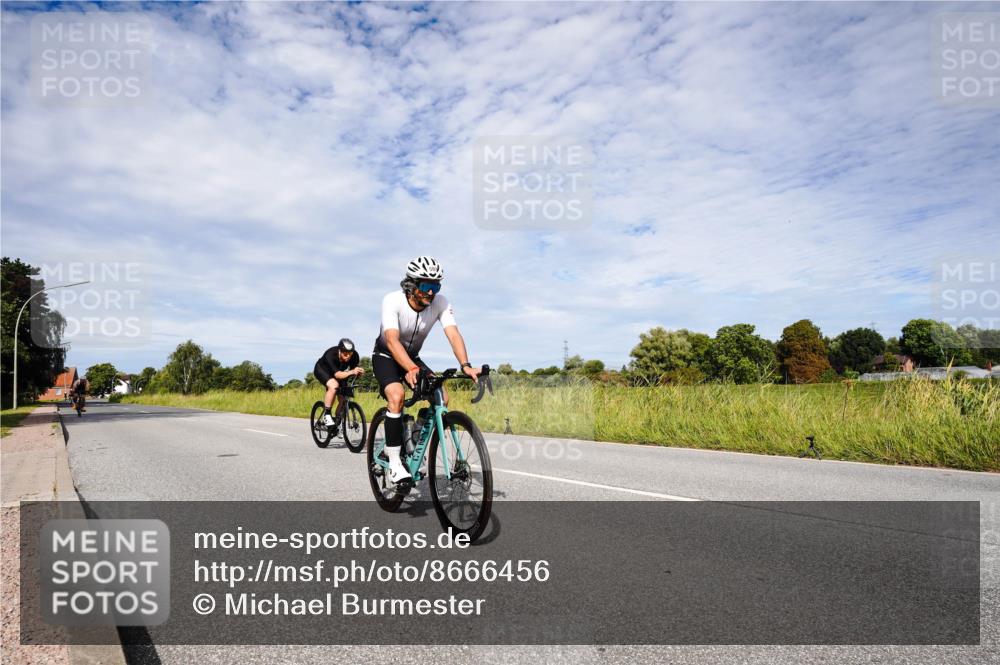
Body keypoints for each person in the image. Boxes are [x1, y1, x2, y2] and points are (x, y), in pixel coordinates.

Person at [373, 256, 480, 486]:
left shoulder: (440, 302)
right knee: (396, 396)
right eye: (426, 286)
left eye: (436, 286)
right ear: (411, 284)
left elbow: (453, 333)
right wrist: (410, 368)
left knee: (441, 395)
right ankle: (393, 463)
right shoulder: (392, 300)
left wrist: (466, 364)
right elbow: (392, 340)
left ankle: (414, 442)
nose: (431, 292)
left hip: (412, 357)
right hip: (386, 355)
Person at [313, 339, 363, 427]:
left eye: (350, 354)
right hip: (322, 370)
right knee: (333, 385)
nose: (348, 356)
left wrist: (358, 373)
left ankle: (337, 420)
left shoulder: (354, 356)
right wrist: (351, 372)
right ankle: (327, 414)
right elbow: (338, 375)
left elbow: (352, 371)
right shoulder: (331, 354)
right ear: (339, 350)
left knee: (344, 397)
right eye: (345, 354)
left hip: (339, 372)